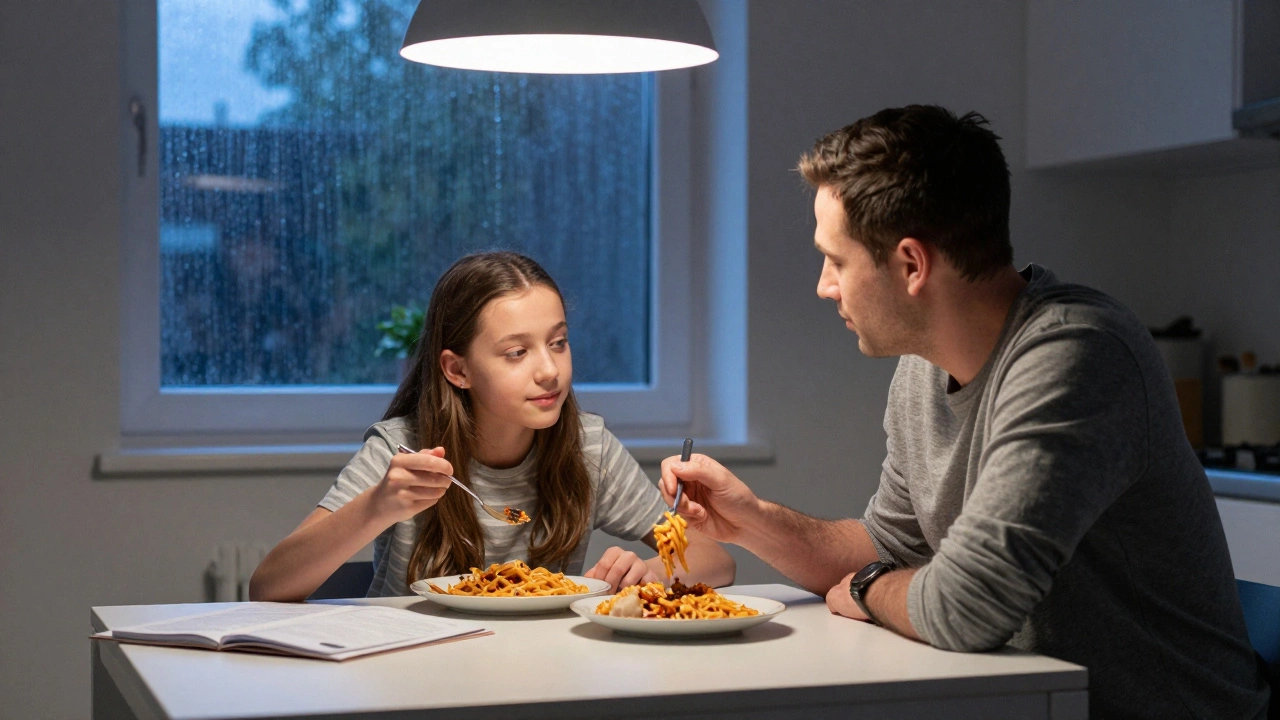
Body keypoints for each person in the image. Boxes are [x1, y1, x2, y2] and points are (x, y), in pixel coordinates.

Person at [658, 105, 1269, 719]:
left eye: (836, 261)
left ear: (912, 265)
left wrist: (871, 590)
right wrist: (752, 520)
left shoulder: (1078, 354)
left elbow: (965, 606)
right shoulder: (922, 365)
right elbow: (888, 547)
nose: (824, 285)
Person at [251, 251, 734, 601]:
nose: (549, 370)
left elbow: (717, 559)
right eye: (517, 352)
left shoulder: (589, 448)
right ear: (457, 370)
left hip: (540, 674)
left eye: (559, 343)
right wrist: (377, 506)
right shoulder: (402, 450)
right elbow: (268, 587)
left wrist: (651, 570)